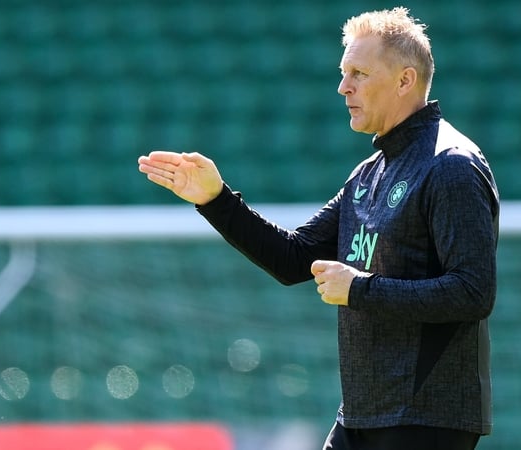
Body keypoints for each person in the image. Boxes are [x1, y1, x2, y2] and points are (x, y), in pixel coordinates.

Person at [138, 7, 498, 450]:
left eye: (359, 73)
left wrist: (360, 289)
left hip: (425, 421)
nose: (343, 87)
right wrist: (216, 200)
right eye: (344, 72)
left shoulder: (452, 166)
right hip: (363, 415)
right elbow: (293, 258)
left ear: (405, 80)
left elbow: (473, 291)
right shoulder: (369, 173)